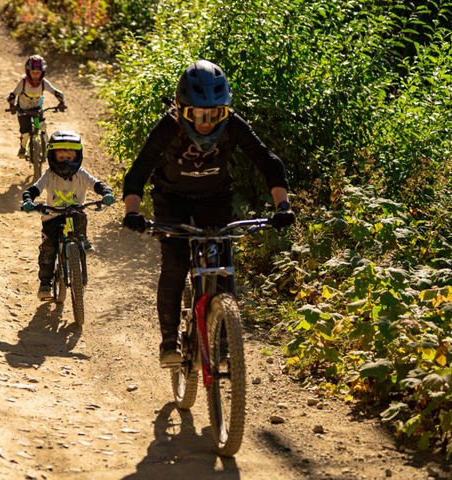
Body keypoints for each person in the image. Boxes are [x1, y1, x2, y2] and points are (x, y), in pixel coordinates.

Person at [120, 59, 295, 367]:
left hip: (214, 198)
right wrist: (133, 212)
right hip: (171, 199)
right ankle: (169, 343)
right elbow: (139, 171)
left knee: (222, 265)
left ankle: (225, 341)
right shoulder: (168, 126)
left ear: (224, 110)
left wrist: (283, 206)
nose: (206, 123)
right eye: (199, 114)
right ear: (181, 110)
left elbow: (267, 161)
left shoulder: (233, 125)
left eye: (214, 114)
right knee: (174, 265)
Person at [21, 131, 114, 300]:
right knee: (48, 249)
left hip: (74, 214)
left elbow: (96, 184)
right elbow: (35, 188)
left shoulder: (81, 174)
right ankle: (45, 283)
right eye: (61, 158)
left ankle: (82, 238)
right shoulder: (49, 174)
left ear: (77, 156)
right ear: (52, 157)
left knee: (80, 216)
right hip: (52, 217)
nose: (66, 162)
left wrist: (106, 192)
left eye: (69, 158)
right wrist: (28, 199)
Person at [7, 55, 66, 158]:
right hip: (23, 110)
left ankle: (45, 145)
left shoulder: (43, 83)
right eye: (33, 73)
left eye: (38, 73)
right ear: (28, 72)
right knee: (25, 132)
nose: (35, 76)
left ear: (42, 73)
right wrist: (12, 105)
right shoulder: (23, 82)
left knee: (42, 126)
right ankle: (23, 147)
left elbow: (56, 92)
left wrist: (61, 102)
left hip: (36, 109)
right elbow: (13, 94)